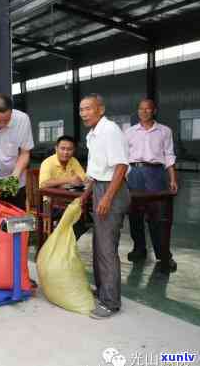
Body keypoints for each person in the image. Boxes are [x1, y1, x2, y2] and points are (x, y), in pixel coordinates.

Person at [79, 94, 130, 320]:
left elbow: (120, 167)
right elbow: (96, 171)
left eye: (88, 109)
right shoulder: (94, 134)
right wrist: (86, 194)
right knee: (100, 245)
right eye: (81, 110)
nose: (84, 114)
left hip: (113, 189)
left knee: (107, 247)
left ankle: (110, 302)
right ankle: (103, 291)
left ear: (100, 109)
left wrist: (107, 198)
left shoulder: (109, 130)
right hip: (100, 187)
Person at [125, 99, 178, 271]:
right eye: (141, 109)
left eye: (148, 109)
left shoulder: (164, 131)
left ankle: (164, 256)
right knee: (134, 216)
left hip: (156, 174)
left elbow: (169, 156)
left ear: (154, 111)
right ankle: (139, 249)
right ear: (138, 111)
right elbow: (124, 159)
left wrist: (173, 179)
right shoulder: (129, 132)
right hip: (134, 174)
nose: (144, 111)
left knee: (159, 217)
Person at [39, 135, 89, 239]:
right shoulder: (48, 163)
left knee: (86, 218)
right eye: (63, 148)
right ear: (56, 148)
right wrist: (69, 180)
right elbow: (43, 184)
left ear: (74, 150)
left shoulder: (73, 161)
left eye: (69, 149)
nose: (66, 152)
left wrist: (77, 181)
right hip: (49, 203)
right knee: (75, 217)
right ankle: (60, 242)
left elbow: (84, 180)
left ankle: (65, 244)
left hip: (69, 201)